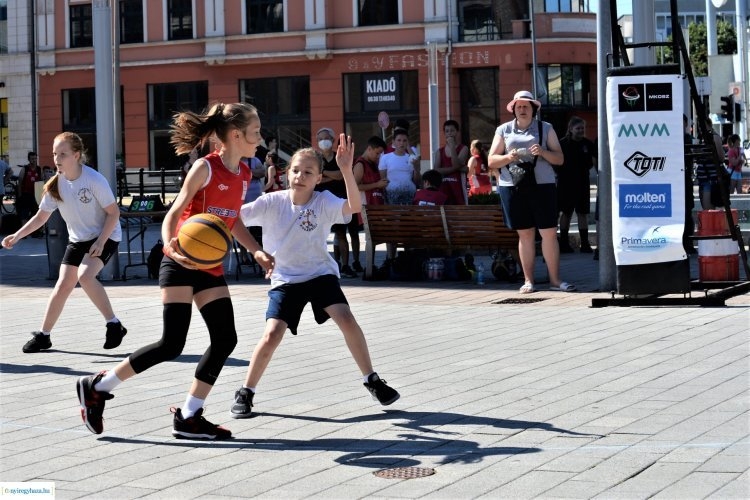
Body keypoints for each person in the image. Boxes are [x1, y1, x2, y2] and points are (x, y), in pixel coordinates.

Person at [75, 102, 273, 440]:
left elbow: (232, 218)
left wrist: (256, 250)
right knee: (172, 344)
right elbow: (175, 210)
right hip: (179, 260)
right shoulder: (205, 168)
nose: (260, 138)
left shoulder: (243, 172)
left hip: (209, 266)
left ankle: (189, 415)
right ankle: (98, 386)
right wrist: (171, 245)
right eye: (255, 132)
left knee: (225, 338)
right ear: (237, 135)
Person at [229, 136, 400, 418]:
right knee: (272, 334)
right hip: (285, 279)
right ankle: (246, 391)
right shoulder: (271, 202)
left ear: (319, 178)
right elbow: (232, 218)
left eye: (308, 172)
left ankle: (372, 380)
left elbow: (354, 208)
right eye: (296, 170)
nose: (300, 176)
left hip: (320, 274)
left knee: (346, 318)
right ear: (287, 173)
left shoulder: (323, 201)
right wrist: (256, 250)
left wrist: (346, 170)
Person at [1, 133, 127, 353]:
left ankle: (114, 325)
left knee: (85, 276)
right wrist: (17, 235)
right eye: (54, 153)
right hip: (78, 238)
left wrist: (100, 241)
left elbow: (114, 213)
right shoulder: (55, 185)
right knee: (62, 286)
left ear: (76, 155)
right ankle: (44, 336)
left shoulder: (94, 180)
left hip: (105, 234)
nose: (57, 158)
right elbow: (41, 217)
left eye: (63, 154)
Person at [487, 90, 575, 293]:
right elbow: (491, 160)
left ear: (534, 109)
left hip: (543, 185)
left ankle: (555, 280)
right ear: (514, 110)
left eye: (526, 106)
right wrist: (509, 157)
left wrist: (542, 152)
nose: (522, 109)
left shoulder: (546, 128)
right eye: (518, 106)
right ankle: (529, 281)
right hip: (514, 186)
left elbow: (560, 159)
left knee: (549, 233)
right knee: (525, 234)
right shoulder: (503, 129)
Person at [314, 127, 358, 278]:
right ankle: (327, 264)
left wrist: (324, 173)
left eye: (325, 138)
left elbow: (340, 175)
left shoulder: (338, 157)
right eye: (320, 139)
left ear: (332, 140)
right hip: (320, 202)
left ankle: (345, 265)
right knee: (320, 235)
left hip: (338, 201)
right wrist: (328, 176)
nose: (323, 142)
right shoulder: (316, 159)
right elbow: (315, 178)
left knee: (341, 234)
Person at [379, 127, 421, 259]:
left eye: (404, 140)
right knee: (392, 229)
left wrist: (416, 167)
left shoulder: (411, 158)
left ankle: (407, 257)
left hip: (409, 199)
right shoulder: (385, 158)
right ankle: (390, 258)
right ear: (393, 142)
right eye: (399, 140)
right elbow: (383, 180)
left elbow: (416, 181)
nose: (401, 143)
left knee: (408, 228)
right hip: (391, 199)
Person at [557, 117, 597, 253]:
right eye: (578, 128)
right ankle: (563, 243)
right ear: (571, 129)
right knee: (566, 213)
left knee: (583, 213)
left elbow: (594, 160)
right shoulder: (562, 144)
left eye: (582, 128)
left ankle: (585, 244)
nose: (580, 131)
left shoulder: (587, 144)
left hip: (583, 183)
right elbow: (555, 162)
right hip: (566, 183)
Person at [352, 135, 388, 252]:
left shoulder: (373, 163)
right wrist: (377, 185)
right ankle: (369, 268)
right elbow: (355, 187)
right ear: (369, 149)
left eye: (381, 154)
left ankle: (371, 266)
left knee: (374, 238)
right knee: (370, 239)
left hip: (376, 206)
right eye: (377, 153)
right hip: (366, 207)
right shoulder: (360, 164)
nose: (378, 157)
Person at [433, 119, 469, 205]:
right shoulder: (439, 151)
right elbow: (436, 170)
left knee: (460, 210)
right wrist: (459, 168)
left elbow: (455, 163)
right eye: (447, 131)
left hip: (458, 186)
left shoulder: (463, 148)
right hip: (444, 186)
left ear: (457, 132)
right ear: (444, 133)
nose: (449, 133)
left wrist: (452, 146)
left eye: (452, 130)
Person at [695, 118, 726, 209]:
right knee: (707, 209)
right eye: (699, 125)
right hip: (703, 178)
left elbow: (721, 157)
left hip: (711, 179)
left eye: (702, 125)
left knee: (709, 210)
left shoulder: (714, 137)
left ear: (709, 125)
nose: (700, 128)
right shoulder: (701, 138)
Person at [17, 151, 43, 231]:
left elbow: (41, 182)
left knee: (35, 214)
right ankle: (23, 233)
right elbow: (20, 182)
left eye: (35, 158)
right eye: (32, 159)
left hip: (35, 195)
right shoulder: (25, 169)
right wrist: (19, 195)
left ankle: (35, 231)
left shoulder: (39, 169)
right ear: (29, 159)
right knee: (24, 214)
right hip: (25, 195)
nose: (34, 160)